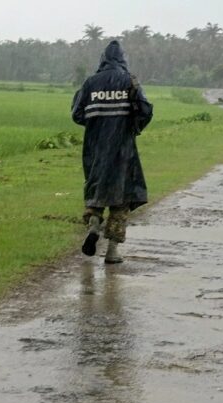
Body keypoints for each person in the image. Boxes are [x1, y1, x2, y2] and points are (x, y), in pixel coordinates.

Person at [72, 41, 153, 264]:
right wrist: (132, 127)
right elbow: (145, 110)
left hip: (95, 149)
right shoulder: (130, 82)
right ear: (123, 59)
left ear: (103, 59)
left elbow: (77, 114)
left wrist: (97, 124)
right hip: (123, 150)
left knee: (96, 190)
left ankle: (94, 223)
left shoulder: (90, 83)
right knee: (121, 199)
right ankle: (112, 252)